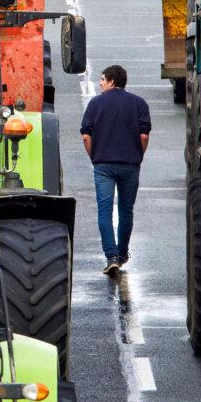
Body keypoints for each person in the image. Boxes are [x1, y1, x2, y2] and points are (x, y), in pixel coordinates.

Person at [80, 65, 152, 275]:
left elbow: (86, 136)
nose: (99, 83)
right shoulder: (139, 103)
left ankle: (110, 256)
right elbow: (144, 136)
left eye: (102, 79)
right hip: (130, 165)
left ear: (111, 81)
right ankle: (122, 254)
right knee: (126, 210)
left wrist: (94, 158)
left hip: (103, 165)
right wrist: (138, 157)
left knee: (104, 210)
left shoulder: (95, 104)